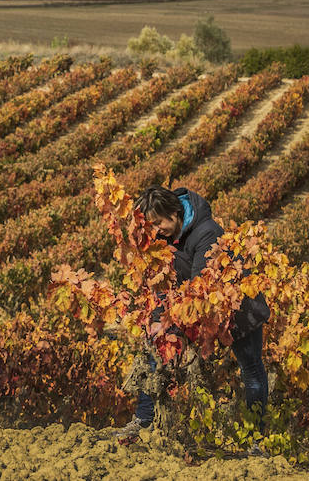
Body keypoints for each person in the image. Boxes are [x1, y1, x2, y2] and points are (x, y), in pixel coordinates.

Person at [115, 184, 269, 444]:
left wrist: (174, 325)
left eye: (157, 223)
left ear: (174, 213)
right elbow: (164, 282)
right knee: (156, 352)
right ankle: (143, 420)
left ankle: (256, 437)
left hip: (239, 311)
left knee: (251, 369)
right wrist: (158, 322)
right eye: (149, 226)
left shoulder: (207, 232)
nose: (154, 231)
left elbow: (200, 291)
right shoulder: (162, 238)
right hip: (194, 307)